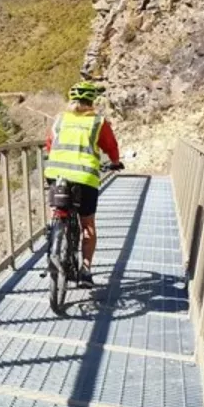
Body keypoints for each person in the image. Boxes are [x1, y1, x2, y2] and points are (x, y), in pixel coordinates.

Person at [44, 81, 123, 288]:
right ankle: (85, 270)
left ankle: (54, 235)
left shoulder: (60, 120)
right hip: (85, 178)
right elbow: (111, 146)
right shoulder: (98, 122)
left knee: (58, 209)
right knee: (87, 225)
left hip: (56, 173)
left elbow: (49, 145)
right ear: (92, 101)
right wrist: (115, 163)